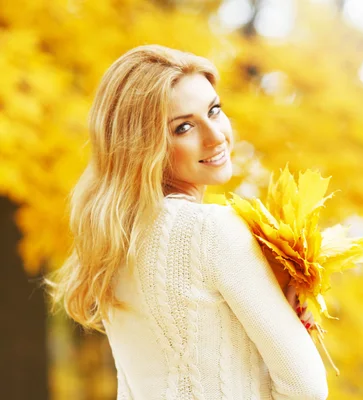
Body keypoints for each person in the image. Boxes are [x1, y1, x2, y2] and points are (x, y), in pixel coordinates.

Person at [44, 44, 328, 399]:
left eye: (214, 110)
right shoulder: (210, 230)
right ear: (143, 145)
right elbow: (307, 389)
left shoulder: (114, 241)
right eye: (183, 128)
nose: (215, 136)